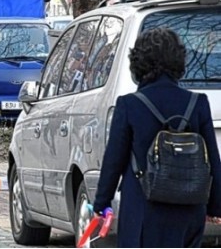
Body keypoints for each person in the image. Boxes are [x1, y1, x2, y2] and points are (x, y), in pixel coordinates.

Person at [93, 27, 221, 247]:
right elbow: (212, 161)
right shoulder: (197, 103)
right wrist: (215, 206)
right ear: (178, 62)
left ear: (138, 64)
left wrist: (102, 203)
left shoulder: (129, 105)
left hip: (143, 208)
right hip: (189, 207)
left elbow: (114, 160)